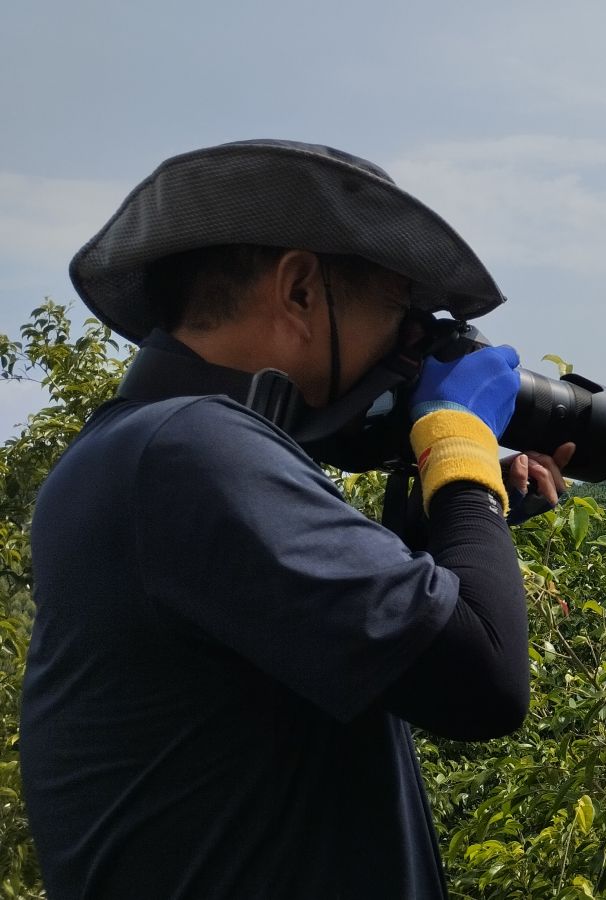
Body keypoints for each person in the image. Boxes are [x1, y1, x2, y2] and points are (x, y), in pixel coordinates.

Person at [20, 140, 567, 898]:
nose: (409, 352)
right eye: (399, 311)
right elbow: (482, 680)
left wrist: (444, 528)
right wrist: (458, 442)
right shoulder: (190, 450)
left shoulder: (135, 450)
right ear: (301, 290)